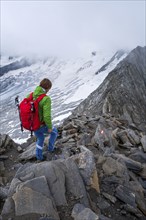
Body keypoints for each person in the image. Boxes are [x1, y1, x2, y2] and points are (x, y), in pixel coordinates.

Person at [30, 78, 58, 161]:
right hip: (40, 124)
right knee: (54, 132)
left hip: (33, 124)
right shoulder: (46, 99)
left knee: (41, 138)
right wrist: (49, 127)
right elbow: (47, 116)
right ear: (47, 88)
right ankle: (51, 149)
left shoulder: (31, 95)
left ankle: (39, 157)